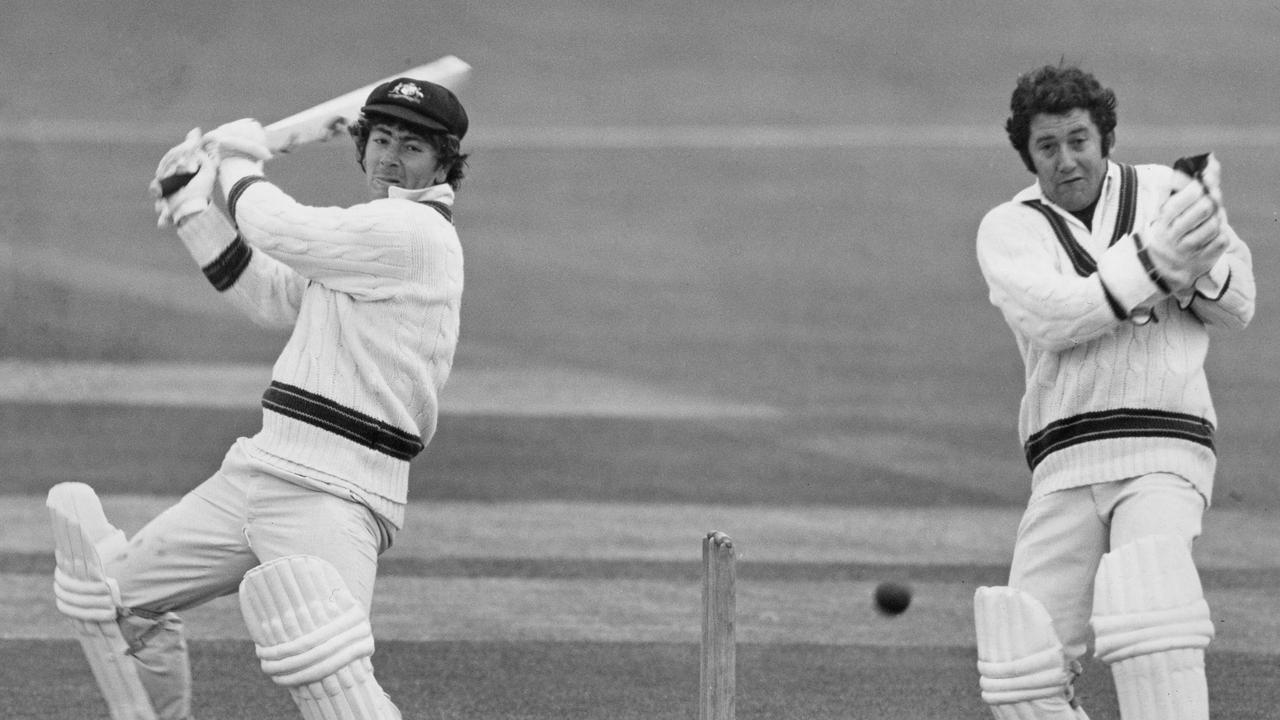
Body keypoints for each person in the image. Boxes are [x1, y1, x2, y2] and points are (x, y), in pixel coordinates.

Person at [46, 77, 469, 720]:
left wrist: (240, 162)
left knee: (337, 685)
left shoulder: (413, 232)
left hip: (336, 488)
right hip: (261, 468)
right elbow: (266, 290)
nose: (390, 157)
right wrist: (191, 210)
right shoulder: (365, 243)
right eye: (381, 139)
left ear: (443, 163)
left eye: (411, 146)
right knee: (119, 605)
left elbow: (278, 227)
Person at [971, 64, 1255, 720]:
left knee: (1150, 610)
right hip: (1063, 462)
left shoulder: (1167, 192)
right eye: (1048, 147)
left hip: (1164, 445)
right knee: (1021, 664)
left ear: (1105, 140)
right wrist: (1157, 264)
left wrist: (1200, 264)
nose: (1067, 160)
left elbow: (1238, 304)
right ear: (1028, 156)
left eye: (1079, 140)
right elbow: (1056, 316)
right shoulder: (1008, 229)